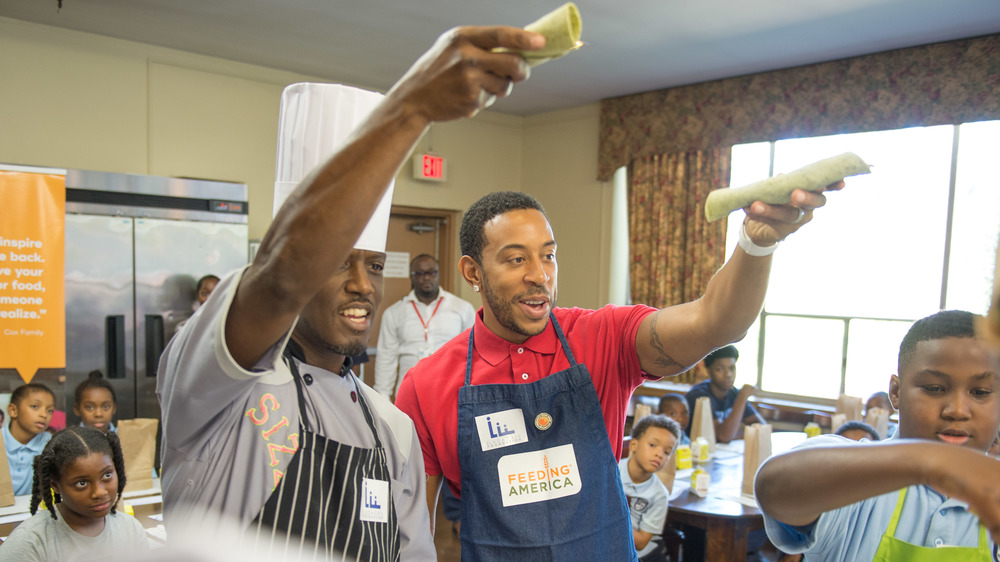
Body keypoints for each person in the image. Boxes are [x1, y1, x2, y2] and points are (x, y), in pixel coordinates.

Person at [156, 25, 544, 560]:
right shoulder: (222, 387)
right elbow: (281, 279)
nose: (363, 285)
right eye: (338, 263)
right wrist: (410, 110)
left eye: (375, 265)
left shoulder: (391, 429)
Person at [396, 176, 841, 559]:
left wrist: (756, 243)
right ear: (472, 272)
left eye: (548, 255)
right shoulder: (427, 385)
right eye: (517, 259)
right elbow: (416, 530)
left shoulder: (604, 338)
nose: (540, 275)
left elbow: (717, 322)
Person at [756, 310, 1000, 560]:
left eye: (980, 392)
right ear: (895, 392)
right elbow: (774, 487)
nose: (957, 410)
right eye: (935, 388)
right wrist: (932, 462)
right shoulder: (855, 484)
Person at [0, 426, 148, 561]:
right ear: (55, 485)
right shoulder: (29, 543)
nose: (100, 492)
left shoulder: (130, 529)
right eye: (81, 483)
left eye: (107, 475)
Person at [374, 253, 475, 399]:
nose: (426, 277)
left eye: (431, 272)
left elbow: (473, 353)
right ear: (412, 276)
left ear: (438, 274)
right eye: (420, 273)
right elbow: (386, 358)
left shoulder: (462, 308)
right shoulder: (394, 313)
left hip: (450, 393)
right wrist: (382, 398)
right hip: (409, 393)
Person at [620, 414, 680, 562]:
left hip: (640, 555)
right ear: (634, 444)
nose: (659, 454)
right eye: (652, 445)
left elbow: (641, 543)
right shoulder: (611, 471)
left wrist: (611, 519)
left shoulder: (659, 494)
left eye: (667, 452)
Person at [684, 345, 765, 443]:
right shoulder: (699, 396)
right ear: (708, 371)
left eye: (732, 368)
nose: (728, 374)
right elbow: (723, 437)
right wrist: (742, 397)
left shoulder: (733, 393)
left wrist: (734, 436)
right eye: (720, 369)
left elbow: (762, 428)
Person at [4, 383, 55, 496]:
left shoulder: (52, 445)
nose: (44, 415)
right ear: (13, 410)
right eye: (35, 406)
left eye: (49, 410)